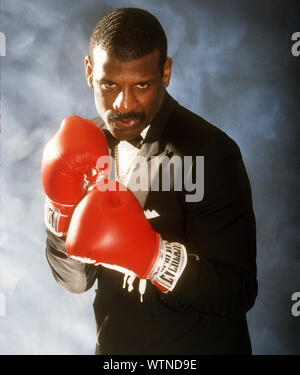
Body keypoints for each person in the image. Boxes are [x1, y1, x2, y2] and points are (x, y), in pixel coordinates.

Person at [42, 7, 258, 355]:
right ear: (88, 72)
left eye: (141, 85)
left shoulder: (210, 151)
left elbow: (238, 290)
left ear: (166, 73)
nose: (124, 104)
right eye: (109, 84)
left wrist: (157, 260)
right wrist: (59, 211)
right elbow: (75, 281)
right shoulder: (82, 149)